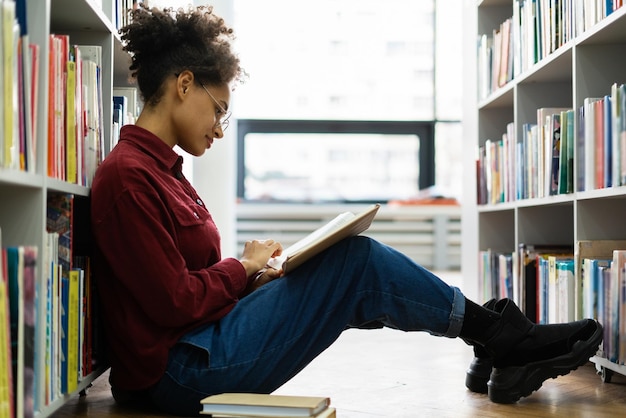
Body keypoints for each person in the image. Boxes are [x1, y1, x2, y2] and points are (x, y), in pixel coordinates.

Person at [90, 4, 603, 416]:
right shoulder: (129, 177)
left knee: (341, 263)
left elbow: (183, 289)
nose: (221, 129)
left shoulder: (165, 173)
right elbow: (173, 302)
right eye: (219, 110)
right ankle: (499, 338)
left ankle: (494, 341)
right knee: (356, 264)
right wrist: (240, 267)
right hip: (181, 374)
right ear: (183, 85)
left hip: (200, 346)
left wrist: (256, 279)